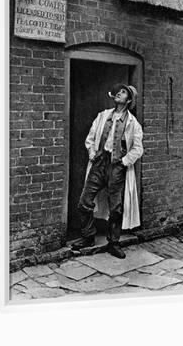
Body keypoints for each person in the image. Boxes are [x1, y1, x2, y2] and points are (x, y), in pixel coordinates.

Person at [71, 84, 143, 258]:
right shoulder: (103, 116)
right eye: (118, 91)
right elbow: (90, 138)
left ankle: (114, 242)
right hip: (99, 164)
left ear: (129, 100)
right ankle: (88, 236)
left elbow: (138, 149)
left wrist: (124, 162)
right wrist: (92, 153)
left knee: (116, 208)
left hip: (117, 167)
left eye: (123, 92)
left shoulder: (134, 124)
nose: (119, 93)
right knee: (84, 202)